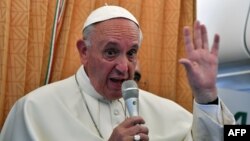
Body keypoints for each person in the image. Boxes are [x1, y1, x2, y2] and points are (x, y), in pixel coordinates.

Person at [0, 5, 235, 141]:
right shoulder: (33, 110)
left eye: (131, 52)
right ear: (84, 51)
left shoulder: (167, 112)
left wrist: (206, 96)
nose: (124, 68)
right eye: (111, 52)